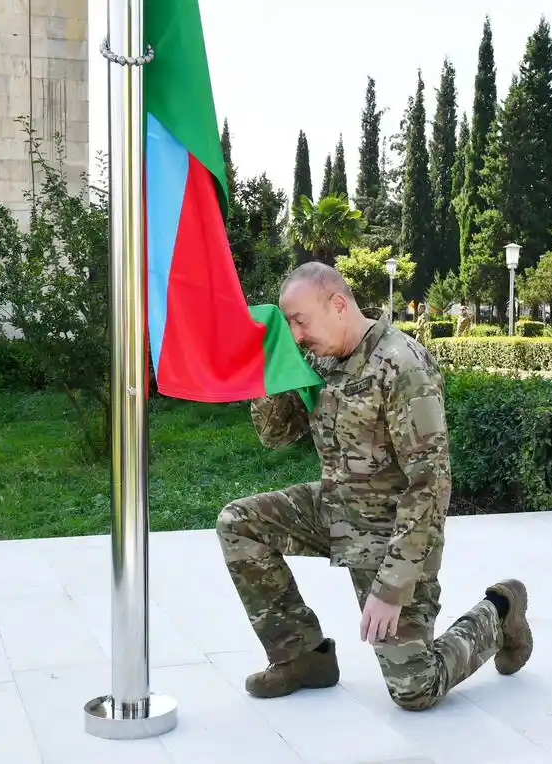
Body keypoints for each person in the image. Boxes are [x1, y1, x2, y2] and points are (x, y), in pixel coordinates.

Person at [216, 262, 531, 711]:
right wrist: (269, 371)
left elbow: (430, 482)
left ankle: (501, 613)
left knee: (415, 688)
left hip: (392, 533)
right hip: (335, 507)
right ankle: (302, 657)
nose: (296, 334)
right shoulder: (318, 358)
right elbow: (275, 436)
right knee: (238, 522)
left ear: (338, 305)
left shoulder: (402, 365)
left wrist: (391, 588)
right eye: (289, 324)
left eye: (300, 321)